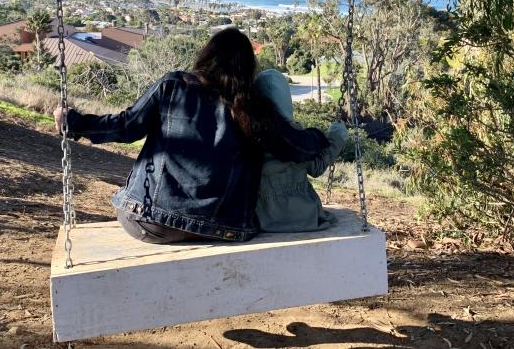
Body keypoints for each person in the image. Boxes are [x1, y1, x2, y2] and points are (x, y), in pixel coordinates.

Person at [53, 28, 331, 244]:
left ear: (206, 57)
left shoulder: (173, 86)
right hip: (223, 229)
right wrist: (323, 136)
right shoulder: (253, 107)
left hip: (148, 222)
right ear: (248, 68)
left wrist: (73, 122)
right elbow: (299, 147)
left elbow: (126, 127)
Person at [254, 69, 347, 232]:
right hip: (304, 215)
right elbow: (316, 167)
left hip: (262, 217)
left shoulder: (247, 133)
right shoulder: (293, 135)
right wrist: (336, 138)